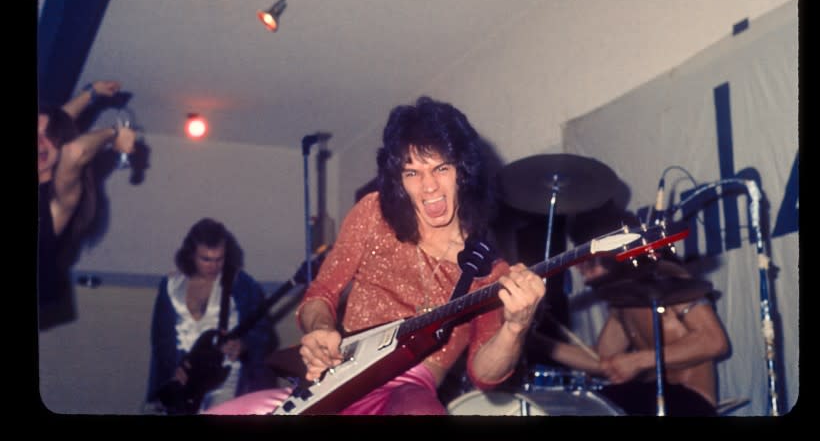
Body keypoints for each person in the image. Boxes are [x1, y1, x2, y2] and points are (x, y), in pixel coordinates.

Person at [205, 96, 547, 415]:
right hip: (334, 382)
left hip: (409, 395)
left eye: (441, 169)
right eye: (412, 173)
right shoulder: (373, 214)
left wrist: (516, 327)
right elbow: (320, 293)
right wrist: (322, 330)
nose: (428, 187)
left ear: (464, 171)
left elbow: (485, 374)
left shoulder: (488, 269)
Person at [532, 206, 730, 417]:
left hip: (692, 402)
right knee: (582, 405)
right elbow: (601, 359)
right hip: (651, 397)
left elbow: (714, 341)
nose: (578, 267)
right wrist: (534, 341)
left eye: (585, 258)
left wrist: (636, 360)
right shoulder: (623, 300)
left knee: (606, 403)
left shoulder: (667, 277)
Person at [144, 217, 275, 414]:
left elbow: (263, 331)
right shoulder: (171, 285)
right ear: (190, 255)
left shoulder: (241, 285)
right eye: (205, 259)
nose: (213, 266)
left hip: (227, 374)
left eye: (219, 259)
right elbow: (160, 339)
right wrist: (174, 368)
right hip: (185, 377)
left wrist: (244, 344)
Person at [38, 80, 137, 320]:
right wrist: (90, 93)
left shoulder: (57, 199)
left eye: (47, 137)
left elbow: (74, 152)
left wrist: (113, 134)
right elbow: (55, 122)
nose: (40, 142)